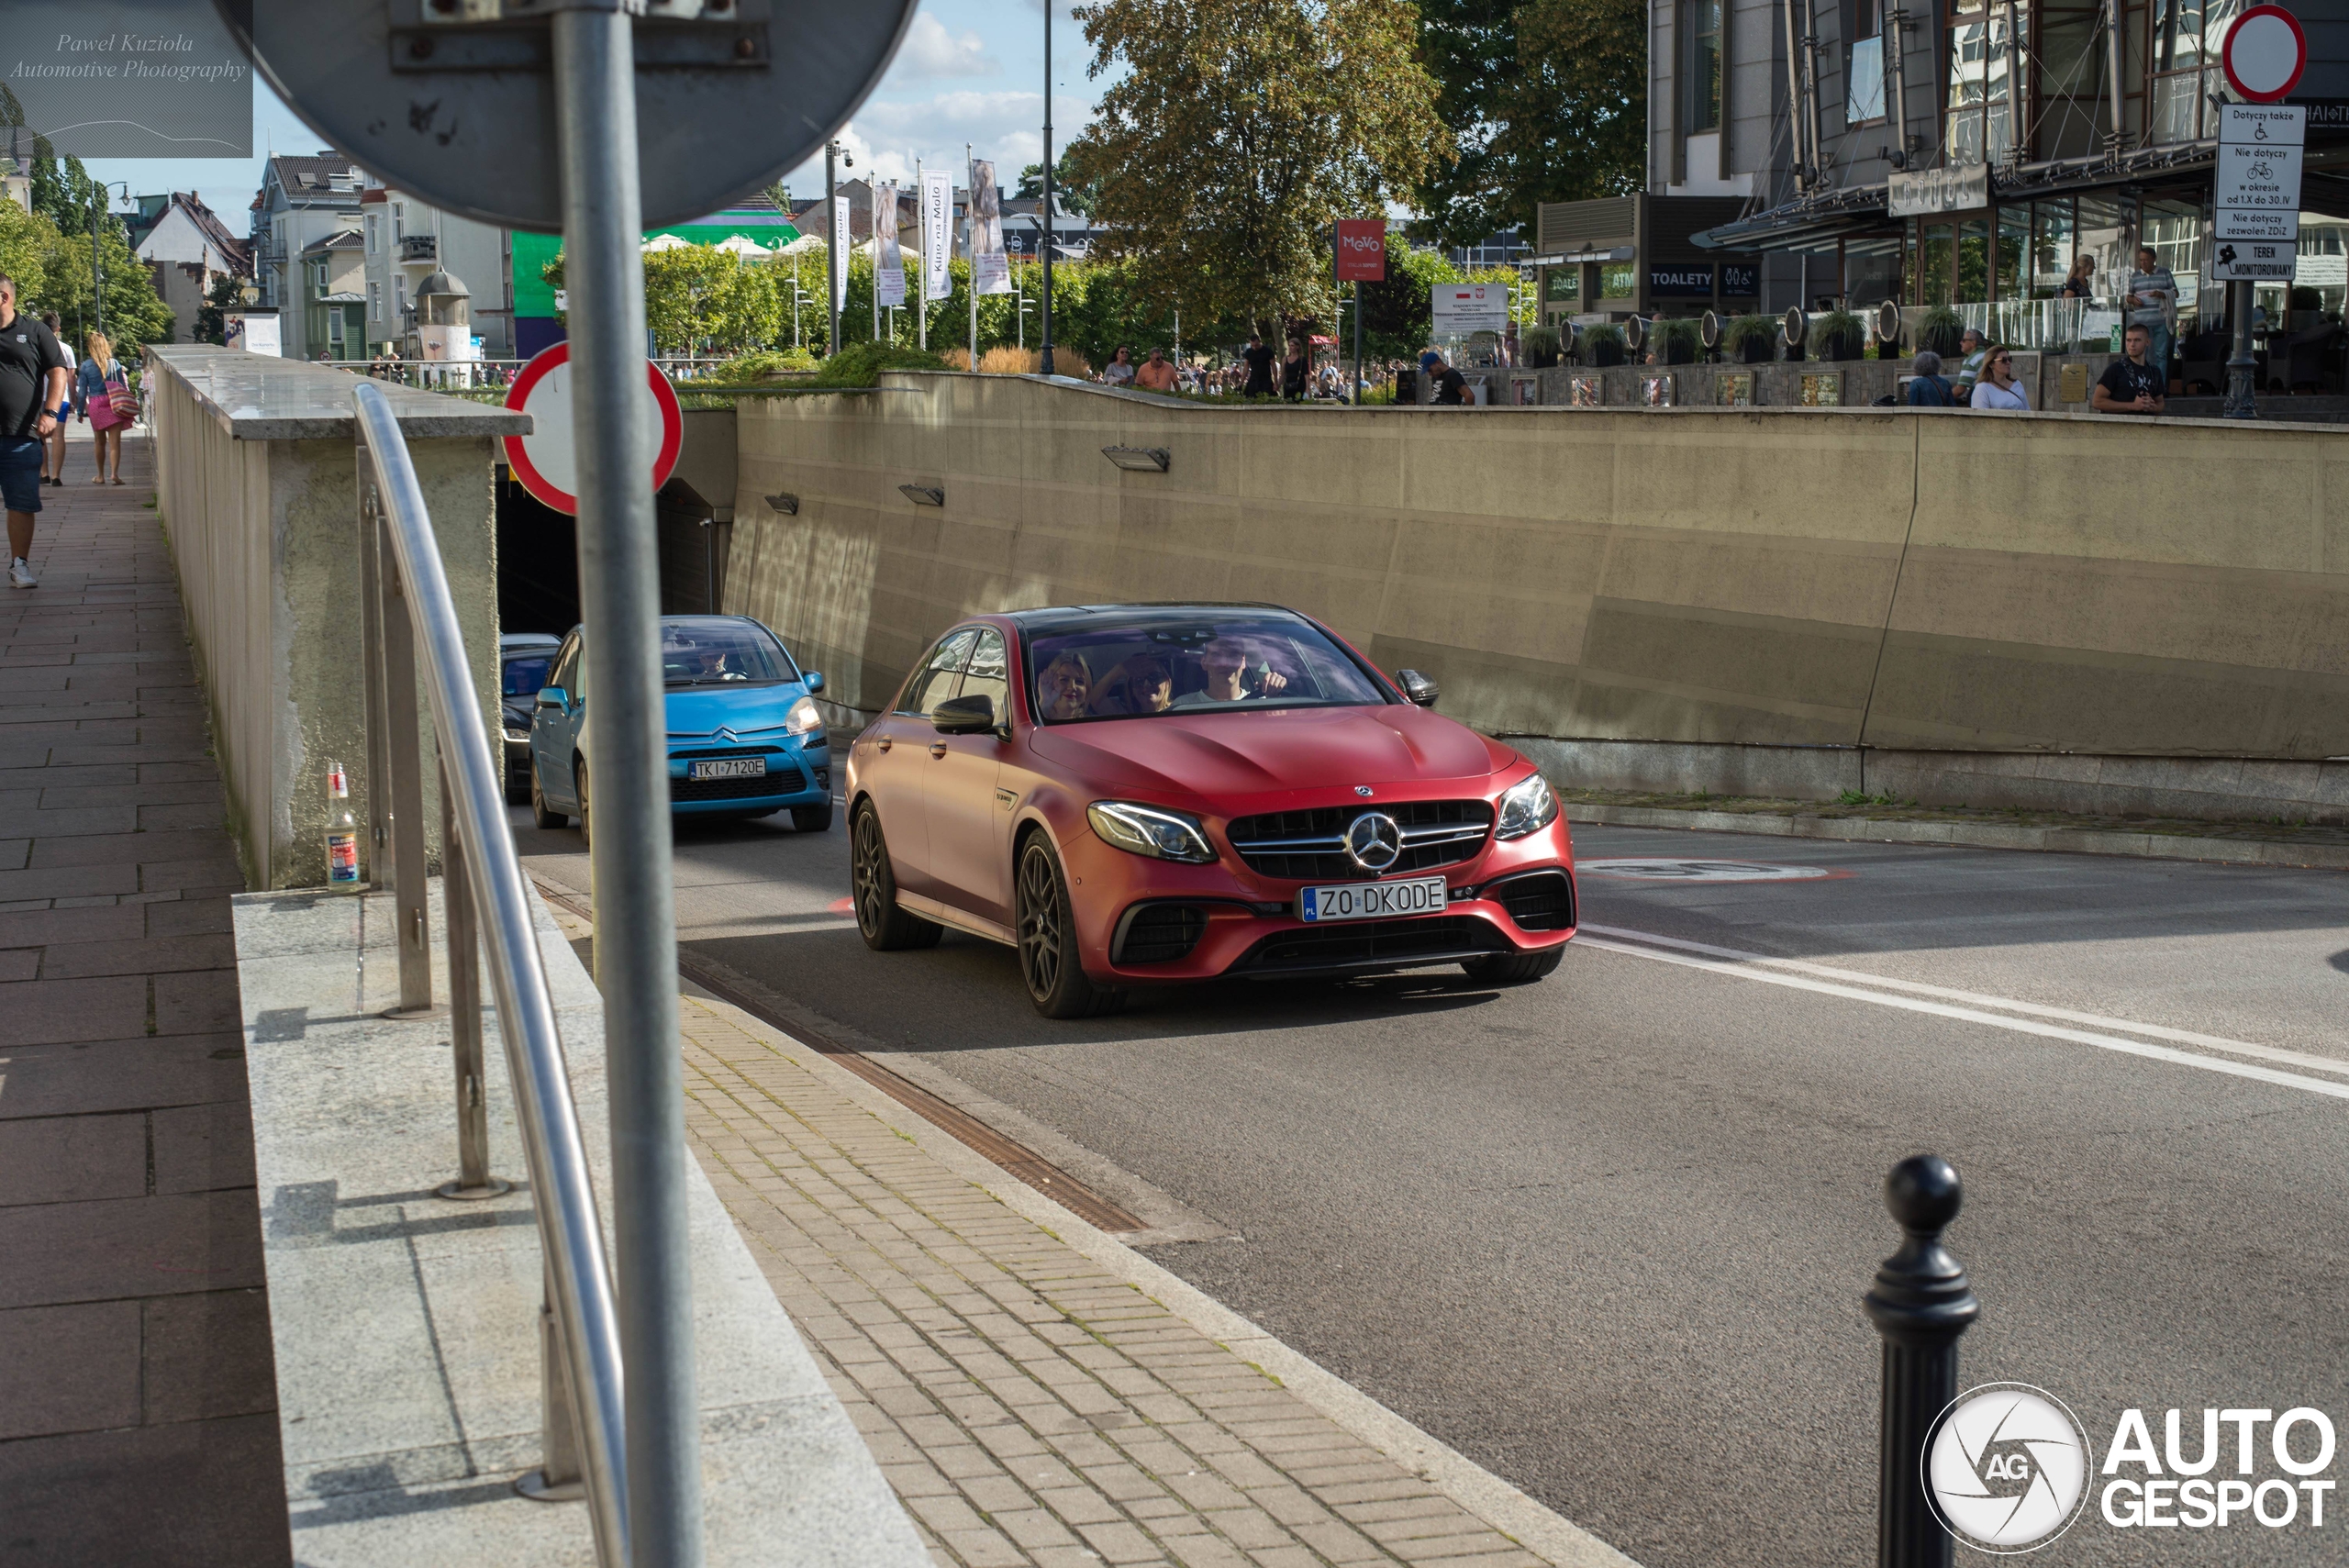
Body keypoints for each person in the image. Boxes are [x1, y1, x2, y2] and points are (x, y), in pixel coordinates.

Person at [0, 277, 72, 589]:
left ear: (3, 297)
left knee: (21, 502)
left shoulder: (35, 331)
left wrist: (51, 412)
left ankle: (20, 565)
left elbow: (58, 372)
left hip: (20, 434)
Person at [1169, 637, 1288, 707]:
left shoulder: (1261, 704)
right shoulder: (1183, 706)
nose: (1225, 663)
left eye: (1233, 655)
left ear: (1243, 662)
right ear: (1204, 663)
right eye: (1216, 656)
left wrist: (1275, 697)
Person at [2123, 245, 2177, 392]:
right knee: (2144, 355)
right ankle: (2144, 386)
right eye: (2141, 260)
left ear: (2153, 259)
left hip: (2161, 320)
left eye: (2146, 260)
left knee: (2161, 355)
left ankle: (2160, 387)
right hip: (2142, 323)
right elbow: (2128, 296)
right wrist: (2134, 301)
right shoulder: (2135, 276)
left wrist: (2162, 294)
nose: (2143, 263)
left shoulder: (2165, 273)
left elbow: (2175, 293)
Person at [78, 331, 128, 484]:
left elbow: (81, 393)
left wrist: (80, 411)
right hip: (114, 402)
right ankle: (114, 474)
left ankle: (100, 476)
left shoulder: (86, 366)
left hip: (96, 404)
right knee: (115, 443)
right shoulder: (115, 364)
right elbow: (122, 386)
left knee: (99, 442)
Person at [2091, 322, 2166, 415]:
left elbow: (2160, 402)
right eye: (2128, 340)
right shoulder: (2116, 369)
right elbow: (2097, 402)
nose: (2132, 344)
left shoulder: (2154, 371)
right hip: (2118, 426)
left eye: (2137, 340)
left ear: (2147, 342)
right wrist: (2133, 405)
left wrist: (2152, 407)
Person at [1035, 650, 1093, 720]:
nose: (1072, 687)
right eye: (1064, 680)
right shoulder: (1030, 724)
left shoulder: (1093, 726)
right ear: (1049, 683)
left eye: (1079, 681)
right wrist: (1044, 704)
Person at [1969, 344, 2030, 410]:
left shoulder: (2017, 384)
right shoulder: (1982, 388)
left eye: (2009, 359)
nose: (2008, 362)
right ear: (1991, 364)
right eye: (2003, 360)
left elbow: (2027, 411)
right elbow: (1980, 417)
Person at [1952, 328, 1989, 405]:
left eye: (1964, 340)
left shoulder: (1972, 360)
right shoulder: (1988, 355)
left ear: (1973, 343)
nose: (1961, 343)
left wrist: (1943, 398)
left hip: (1980, 397)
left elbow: (1961, 389)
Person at [1240, 331, 1275, 397]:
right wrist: (1241, 382)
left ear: (1259, 342)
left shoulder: (1268, 351)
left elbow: (1273, 366)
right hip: (1253, 379)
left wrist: (1275, 382)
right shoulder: (1249, 352)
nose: (1254, 347)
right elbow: (1246, 367)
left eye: (1256, 345)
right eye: (1252, 345)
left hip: (1266, 380)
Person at [1282, 335, 1308, 401]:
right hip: (1288, 386)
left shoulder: (1302, 359)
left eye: (1292, 345)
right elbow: (1283, 374)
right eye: (1289, 345)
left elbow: (1306, 374)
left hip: (1299, 387)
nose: (1290, 347)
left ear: (1297, 347)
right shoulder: (1285, 359)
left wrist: (1307, 389)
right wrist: (1277, 385)